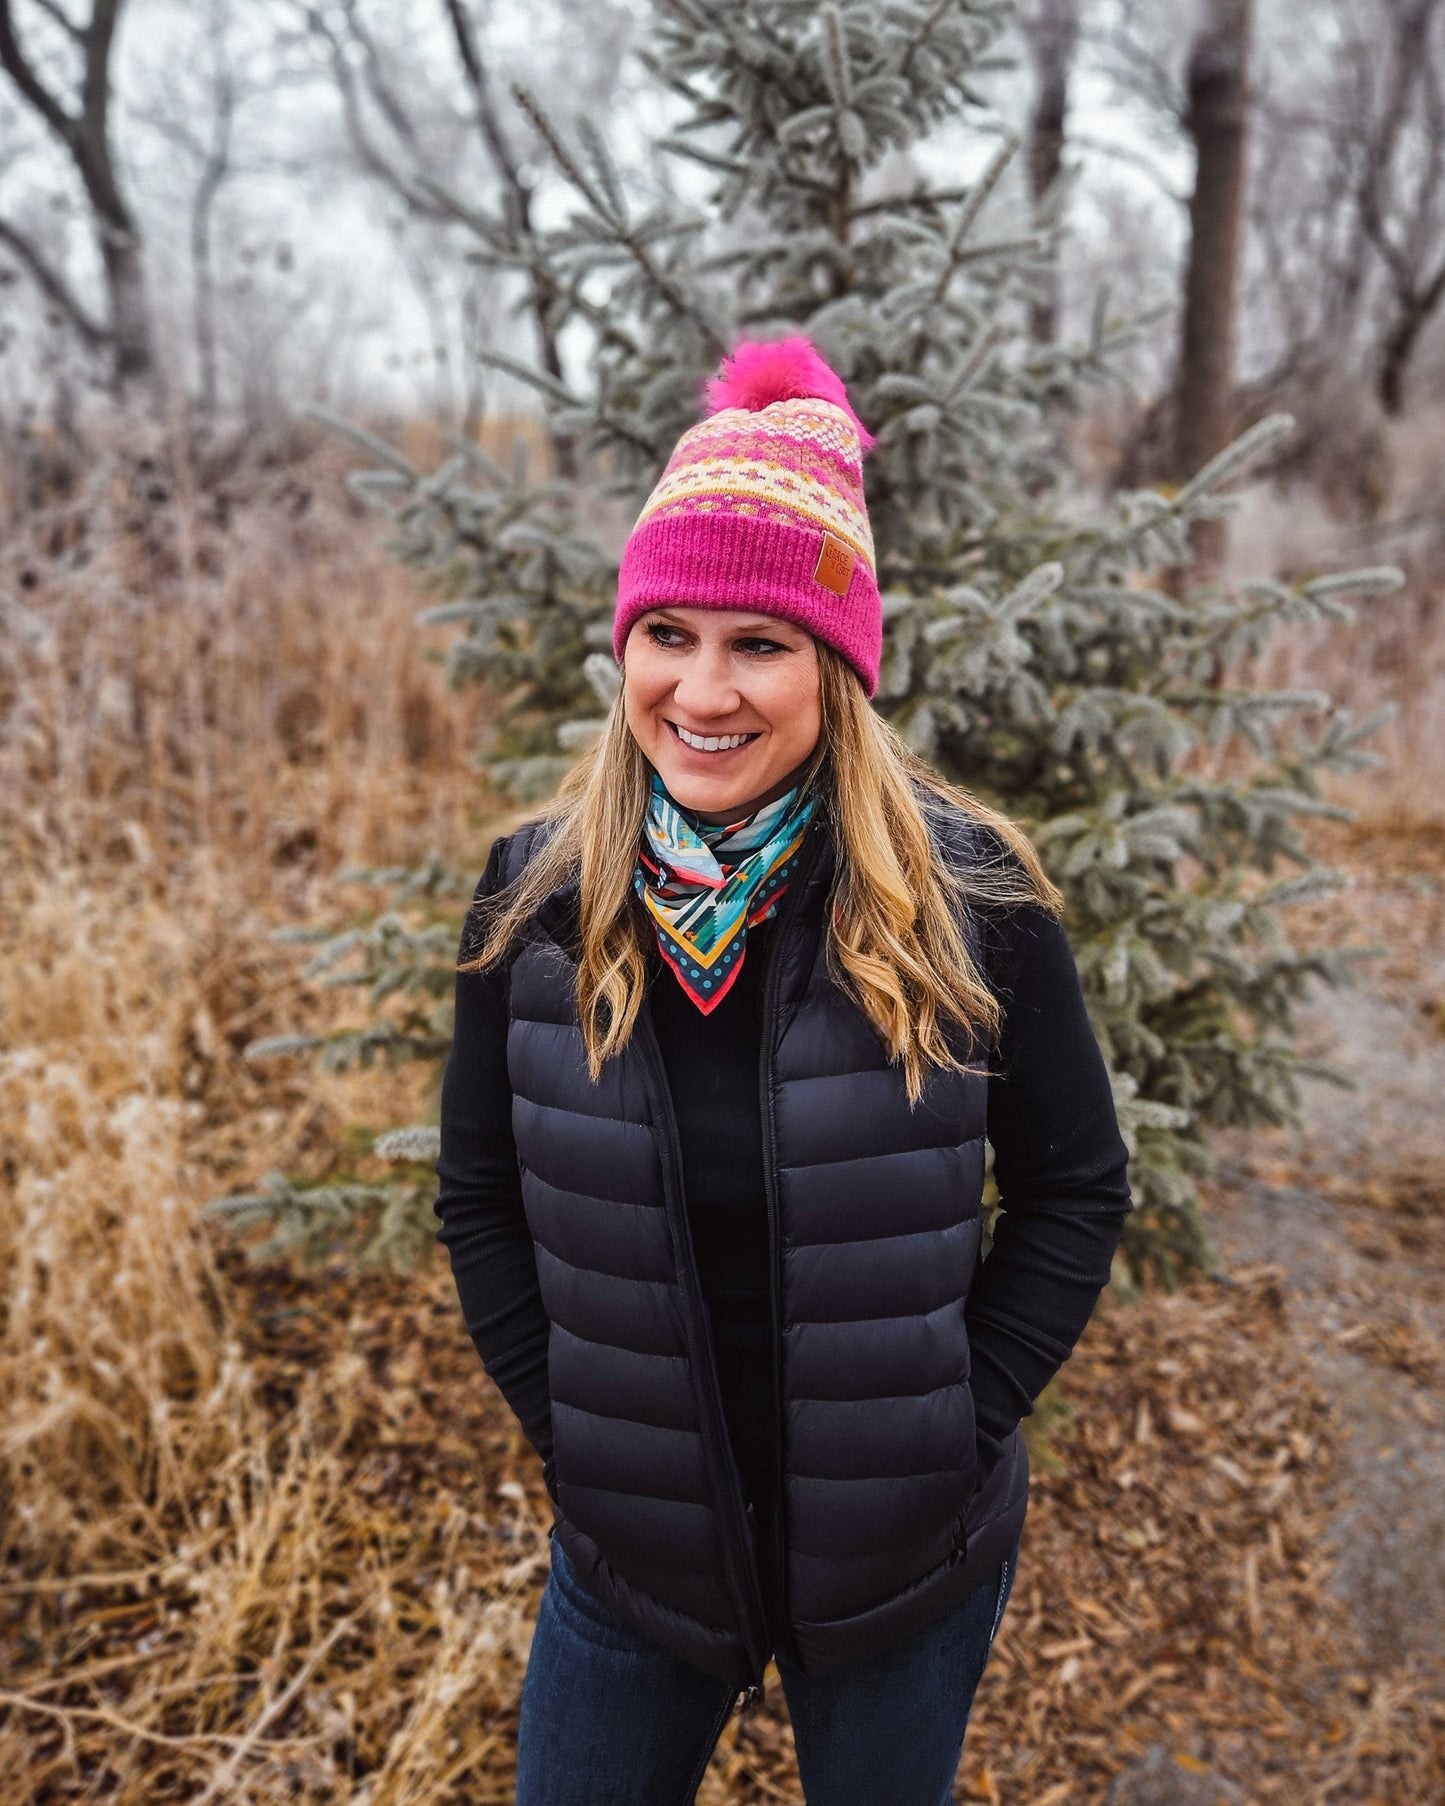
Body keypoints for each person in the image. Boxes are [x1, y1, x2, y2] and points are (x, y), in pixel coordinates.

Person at [434, 335, 1132, 1806]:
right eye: (665, 632)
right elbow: (479, 1195)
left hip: (900, 1558)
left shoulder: (972, 898)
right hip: (633, 1554)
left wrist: (958, 1419)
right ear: (621, 644)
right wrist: (573, 1434)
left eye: (759, 642)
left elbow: (1076, 1184)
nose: (702, 689)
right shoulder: (534, 898)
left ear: (837, 668)